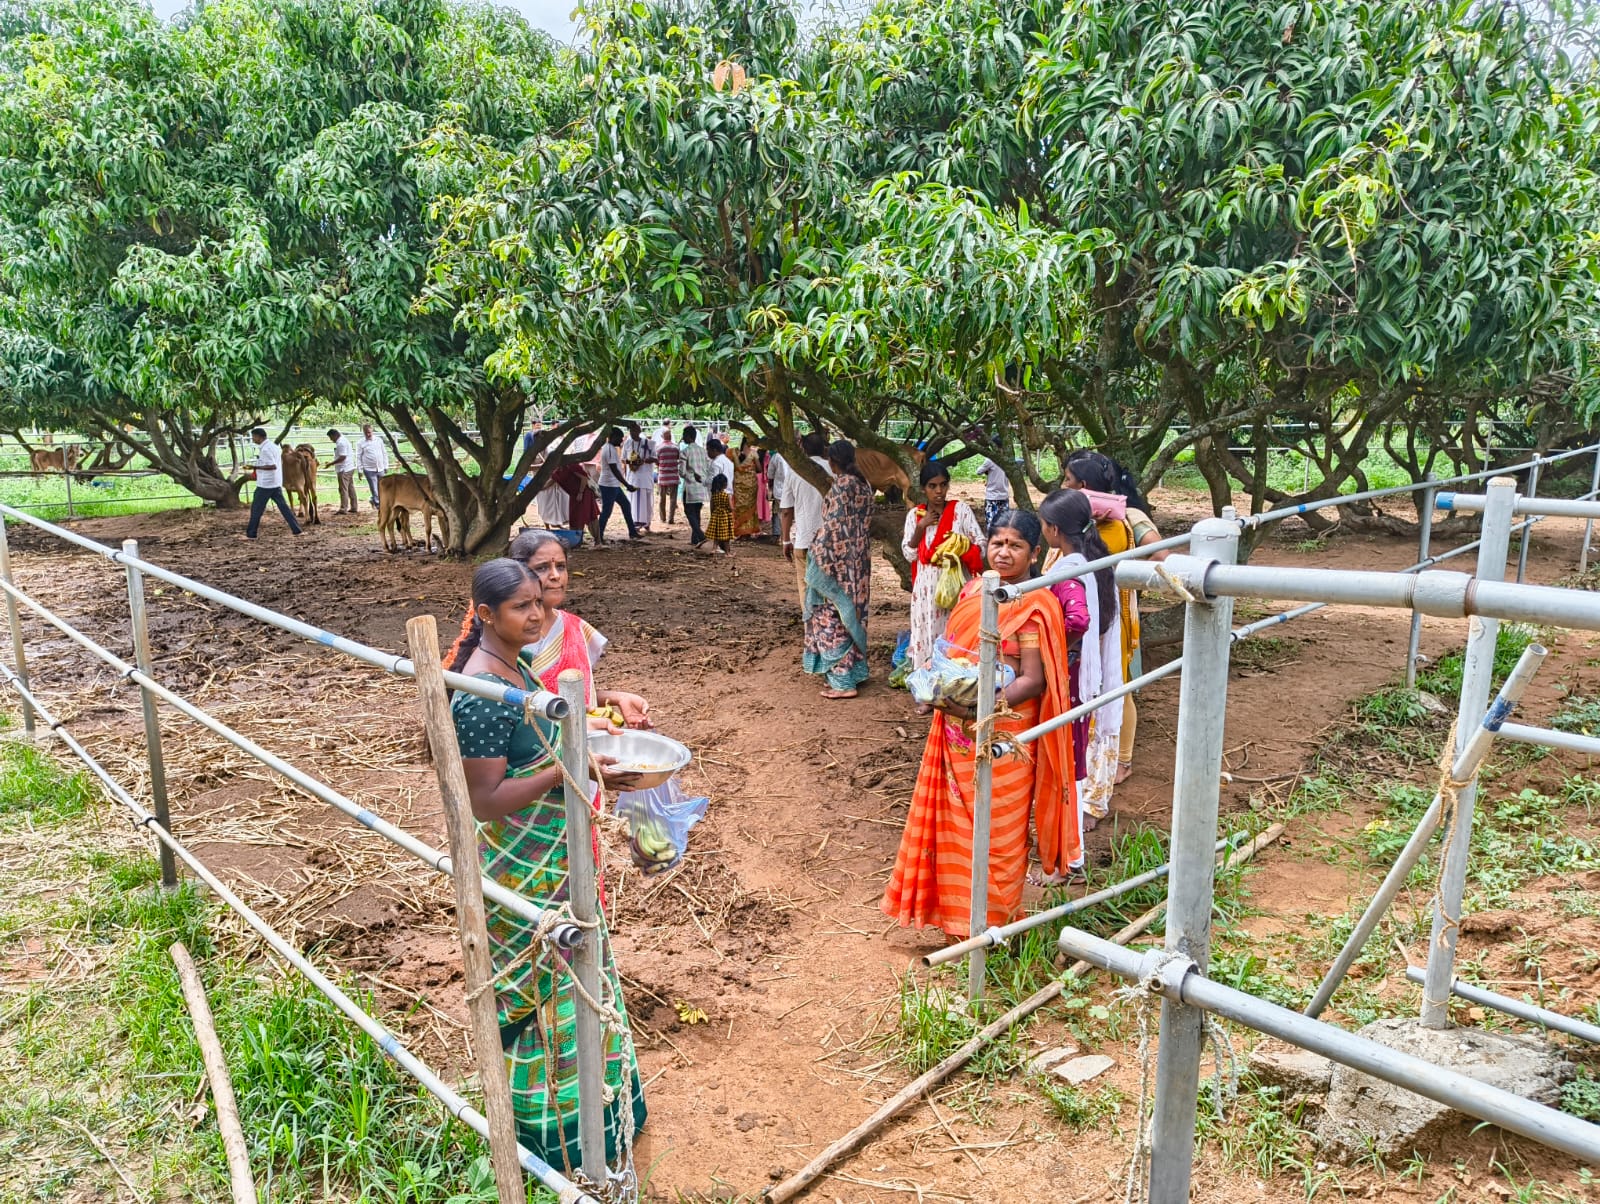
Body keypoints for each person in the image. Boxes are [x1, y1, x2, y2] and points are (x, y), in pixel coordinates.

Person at [445, 559, 647, 1167]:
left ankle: (599, 1112)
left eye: (540, 601)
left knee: (576, 976)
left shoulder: (519, 664)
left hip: (558, 856)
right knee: (548, 982)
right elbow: (484, 799)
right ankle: (548, 1135)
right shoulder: (481, 692)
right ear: (484, 615)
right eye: (521, 606)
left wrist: (584, 762)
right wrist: (562, 770)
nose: (538, 615)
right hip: (519, 864)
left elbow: (542, 745)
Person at [881, 511, 1080, 938]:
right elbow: (950, 654)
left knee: (999, 835)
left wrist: (980, 707)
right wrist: (935, 691)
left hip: (1005, 732)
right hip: (956, 729)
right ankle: (955, 923)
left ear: (1035, 553)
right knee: (952, 825)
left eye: (1016, 545)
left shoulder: (1035, 603)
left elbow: (1033, 679)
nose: (1004, 552)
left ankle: (992, 924)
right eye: (997, 543)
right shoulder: (973, 590)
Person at [1063, 449, 1164, 783]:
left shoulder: (1129, 516)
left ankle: (1121, 759)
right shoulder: (1078, 518)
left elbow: (1163, 554)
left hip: (1114, 609)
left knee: (1118, 684)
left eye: (1068, 480)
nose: (1063, 485)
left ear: (1085, 485)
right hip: (1090, 607)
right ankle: (1092, 753)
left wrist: (1127, 574)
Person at [1039, 488, 1123, 834]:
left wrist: (1059, 647)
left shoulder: (1068, 570)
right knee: (1079, 745)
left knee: (1068, 750)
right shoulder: (1097, 562)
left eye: (1044, 525)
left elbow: (1078, 620)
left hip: (1073, 671)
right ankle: (1083, 811)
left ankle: (1068, 838)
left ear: (1054, 530)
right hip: (1094, 668)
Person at [508, 529, 653, 726]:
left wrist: (618, 698)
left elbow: (575, 695)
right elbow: (505, 707)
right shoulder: (506, 636)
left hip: (586, 743)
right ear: (519, 574)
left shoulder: (576, 627)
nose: (555, 576)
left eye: (561, 566)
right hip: (539, 750)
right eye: (542, 568)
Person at [900, 460, 984, 709]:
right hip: (926, 587)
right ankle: (926, 695)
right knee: (926, 633)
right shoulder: (915, 515)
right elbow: (909, 552)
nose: (939, 491)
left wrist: (959, 548)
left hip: (956, 581)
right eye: (932, 486)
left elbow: (979, 542)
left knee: (954, 633)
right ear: (923, 489)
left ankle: (955, 690)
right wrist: (921, 527)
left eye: (943, 485)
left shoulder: (961, 511)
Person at [803, 440, 875, 699]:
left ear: (833, 462)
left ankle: (844, 682)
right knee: (851, 613)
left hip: (835, 562)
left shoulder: (843, 485)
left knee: (828, 616)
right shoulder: (864, 484)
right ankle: (851, 672)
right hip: (858, 560)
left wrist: (816, 551)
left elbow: (833, 526)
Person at [780, 432, 832, 608]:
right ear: (824, 448)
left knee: (805, 588)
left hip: (804, 541)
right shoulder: (833, 469)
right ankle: (830, 630)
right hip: (831, 543)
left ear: (802, 447)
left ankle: (811, 630)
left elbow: (786, 511)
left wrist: (786, 539)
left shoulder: (794, 472)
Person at [241, 427, 303, 541]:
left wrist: (254, 467)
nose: (253, 439)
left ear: (259, 437)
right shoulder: (274, 447)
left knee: (256, 509)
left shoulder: (265, 450)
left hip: (266, 484)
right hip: (275, 482)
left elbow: (272, 465)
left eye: (254, 437)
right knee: (284, 508)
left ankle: (251, 533)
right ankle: (296, 529)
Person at [596, 427, 641, 543]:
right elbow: (614, 470)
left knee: (626, 505)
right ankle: (598, 536)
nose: (621, 440)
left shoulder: (610, 448)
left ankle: (632, 532)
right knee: (607, 511)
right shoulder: (609, 449)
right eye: (620, 438)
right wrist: (626, 484)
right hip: (608, 485)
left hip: (613, 485)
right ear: (613, 437)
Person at [679, 425, 710, 548]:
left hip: (690, 486)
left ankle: (700, 535)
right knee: (697, 511)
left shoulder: (685, 452)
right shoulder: (703, 451)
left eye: (684, 435)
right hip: (701, 485)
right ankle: (695, 538)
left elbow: (681, 472)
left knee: (689, 511)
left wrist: (689, 476)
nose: (682, 438)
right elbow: (707, 467)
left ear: (688, 436)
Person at [705, 438, 736, 553]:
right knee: (727, 524)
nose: (707, 453)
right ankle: (725, 546)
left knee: (717, 523)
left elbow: (712, 480)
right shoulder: (729, 462)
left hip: (718, 495)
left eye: (708, 450)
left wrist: (702, 480)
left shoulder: (716, 463)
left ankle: (718, 546)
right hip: (728, 494)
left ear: (714, 450)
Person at [623, 421, 655, 533]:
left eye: (635, 430)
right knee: (634, 501)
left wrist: (643, 461)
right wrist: (632, 462)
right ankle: (636, 523)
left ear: (639, 431)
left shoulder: (649, 443)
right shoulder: (627, 443)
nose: (633, 433)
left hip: (646, 477)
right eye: (631, 431)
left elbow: (655, 459)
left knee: (646, 501)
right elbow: (623, 459)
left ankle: (646, 523)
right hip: (633, 477)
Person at [733, 438, 764, 538]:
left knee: (739, 507)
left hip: (738, 485)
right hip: (751, 485)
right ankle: (748, 531)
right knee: (750, 507)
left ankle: (741, 532)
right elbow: (759, 470)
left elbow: (734, 468)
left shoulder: (736, 453)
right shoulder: (754, 454)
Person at [978, 455, 1013, 534]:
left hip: (992, 497)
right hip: (1004, 496)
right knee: (1004, 522)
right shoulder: (1007, 459)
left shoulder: (990, 459)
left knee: (991, 523)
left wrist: (987, 470)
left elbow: (979, 471)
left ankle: (992, 541)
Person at [356, 424, 388, 509]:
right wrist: (360, 470)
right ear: (363, 432)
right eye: (366, 433)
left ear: (372, 431)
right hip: (369, 469)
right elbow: (358, 456)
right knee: (374, 488)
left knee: (382, 487)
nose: (368, 434)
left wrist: (386, 465)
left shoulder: (378, 440)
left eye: (369, 432)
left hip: (380, 467)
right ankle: (378, 505)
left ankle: (375, 500)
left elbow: (384, 453)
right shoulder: (360, 443)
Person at [655, 427, 681, 528]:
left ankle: (663, 518)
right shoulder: (676, 447)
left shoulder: (659, 448)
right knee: (673, 499)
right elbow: (678, 458)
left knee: (662, 498)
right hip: (674, 476)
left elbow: (657, 462)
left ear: (662, 437)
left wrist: (662, 464)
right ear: (670, 436)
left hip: (663, 476)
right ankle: (671, 518)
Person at [328, 428, 357, 514]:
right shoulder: (344, 440)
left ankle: (343, 508)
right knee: (350, 487)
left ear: (334, 435)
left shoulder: (341, 443)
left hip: (344, 468)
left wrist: (331, 463)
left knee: (343, 488)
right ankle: (354, 506)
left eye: (331, 437)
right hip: (349, 467)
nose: (331, 440)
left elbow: (342, 457)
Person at [765, 449, 788, 541]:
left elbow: (770, 474)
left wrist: (770, 487)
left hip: (779, 490)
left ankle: (779, 535)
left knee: (779, 512)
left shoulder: (776, 457)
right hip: (792, 489)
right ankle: (785, 536)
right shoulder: (796, 456)